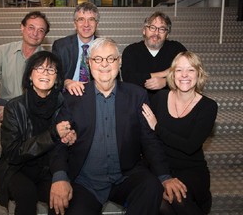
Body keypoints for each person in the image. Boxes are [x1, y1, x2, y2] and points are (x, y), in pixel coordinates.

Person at [49, 38, 187, 215]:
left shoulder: (137, 95)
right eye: (98, 59)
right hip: (86, 181)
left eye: (111, 59)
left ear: (119, 61)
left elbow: (149, 140)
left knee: (151, 187)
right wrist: (59, 176)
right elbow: (60, 141)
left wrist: (164, 176)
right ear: (90, 63)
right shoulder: (73, 98)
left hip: (125, 175)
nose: (104, 64)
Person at [0, 11, 50, 194]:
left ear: (45, 35)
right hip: (4, 103)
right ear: (22, 27)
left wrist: (14, 111)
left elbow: (46, 97)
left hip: (31, 110)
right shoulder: (3, 51)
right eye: (31, 27)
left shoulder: (46, 59)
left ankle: (12, 168)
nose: (35, 33)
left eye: (41, 30)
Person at [0, 51, 77, 215]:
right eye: (39, 68)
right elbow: (12, 152)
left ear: (56, 79)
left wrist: (71, 137)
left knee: (62, 199)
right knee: (27, 196)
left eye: (51, 70)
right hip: (17, 169)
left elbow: (69, 135)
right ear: (30, 76)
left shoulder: (64, 103)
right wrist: (52, 134)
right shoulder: (14, 107)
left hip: (48, 170)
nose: (45, 73)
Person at [142, 51, 218, 215]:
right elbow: (149, 141)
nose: (184, 75)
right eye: (179, 70)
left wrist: (157, 127)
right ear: (172, 74)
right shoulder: (160, 98)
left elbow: (190, 146)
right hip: (161, 167)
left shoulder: (208, 106)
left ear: (198, 74)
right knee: (161, 203)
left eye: (190, 70)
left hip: (190, 169)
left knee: (176, 198)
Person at [121, 11, 187, 100]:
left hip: (170, 104)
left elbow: (188, 73)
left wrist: (166, 81)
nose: (156, 33)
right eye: (152, 27)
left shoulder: (177, 49)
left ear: (167, 34)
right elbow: (129, 78)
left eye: (162, 29)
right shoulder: (131, 51)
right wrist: (165, 73)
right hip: (138, 103)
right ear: (144, 31)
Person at [52, 2, 99, 96]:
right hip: (68, 96)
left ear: (97, 24)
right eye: (81, 19)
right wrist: (66, 82)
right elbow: (53, 75)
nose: (86, 24)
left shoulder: (104, 47)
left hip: (96, 96)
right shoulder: (60, 46)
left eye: (91, 19)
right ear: (75, 24)